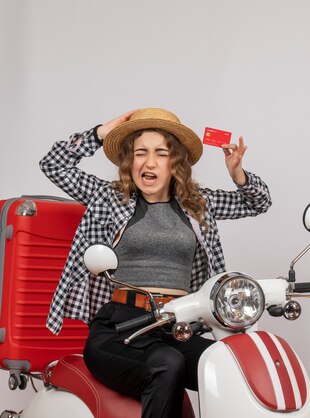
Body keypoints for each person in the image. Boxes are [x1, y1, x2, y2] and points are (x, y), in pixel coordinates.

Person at [40, 108, 272, 418]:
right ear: (130, 161)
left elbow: (259, 202)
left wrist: (237, 174)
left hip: (176, 327)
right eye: (140, 153)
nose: (149, 162)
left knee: (231, 366)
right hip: (119, 328)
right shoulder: (110, 198)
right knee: (167, 363)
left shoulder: (197, 204)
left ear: (174, 162)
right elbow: (53, 164)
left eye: (160, 153)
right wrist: (100, 133)